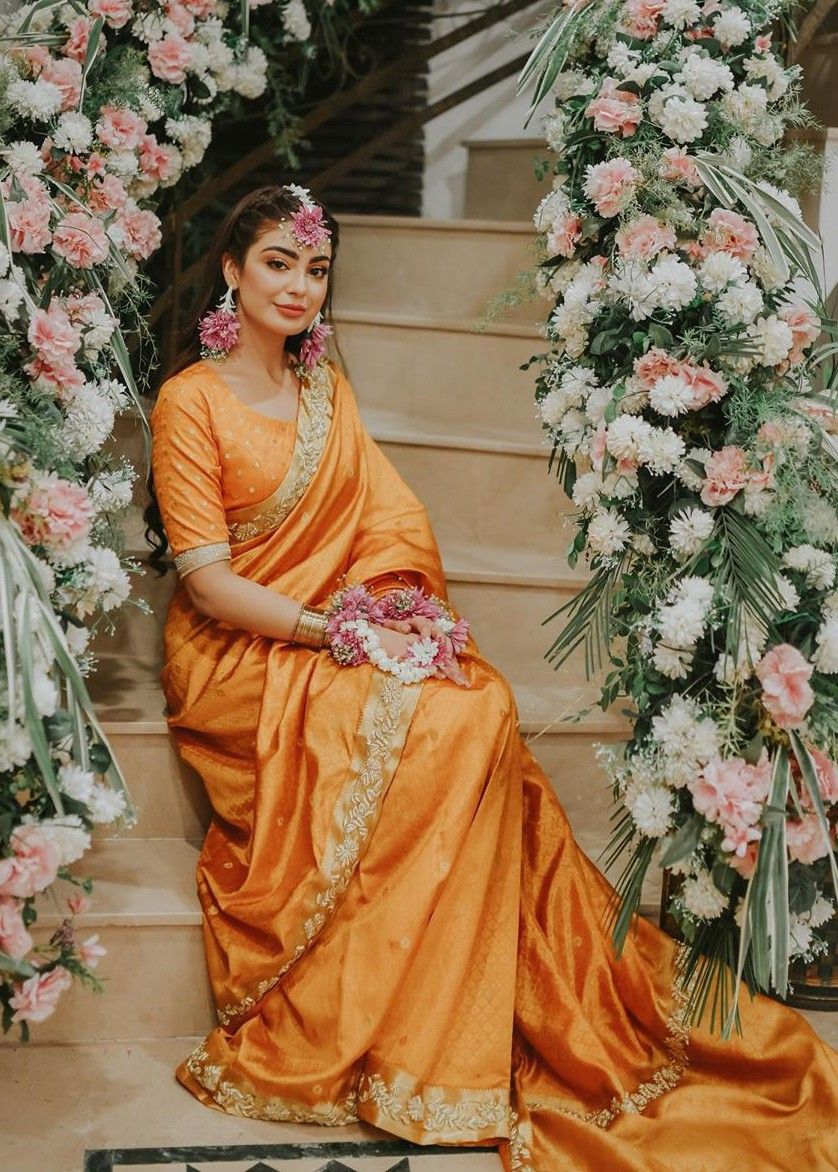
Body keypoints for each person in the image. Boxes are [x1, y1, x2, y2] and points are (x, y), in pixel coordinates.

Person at [145, 184, 837, 1172]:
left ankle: (451, 1009)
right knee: (447, 724)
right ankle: (393, 1019)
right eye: (277, 263)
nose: (299, 286)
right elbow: (210, 582)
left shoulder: (323, 391)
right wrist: (336, 630)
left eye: (315, 269)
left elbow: (387, 518)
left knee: (479, 702)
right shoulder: (190, 401)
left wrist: (398, 607)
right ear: (230, 268)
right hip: (243, 655)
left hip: (336, 627)